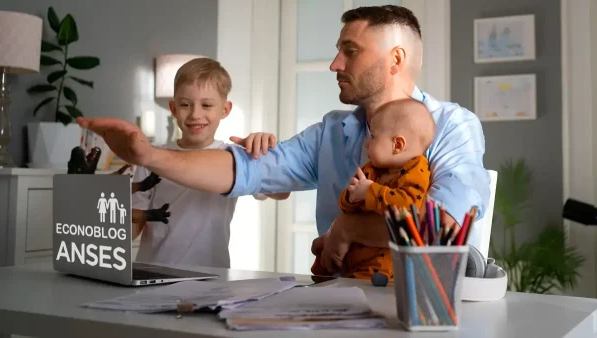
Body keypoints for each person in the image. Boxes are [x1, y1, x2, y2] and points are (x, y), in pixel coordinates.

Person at [77, 5, 490, 275]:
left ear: (395, 60)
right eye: (336, 50)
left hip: (413, 308)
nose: (334, 64)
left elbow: (443, 231)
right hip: (333, 299)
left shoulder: (453, 126)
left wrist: (349, 228)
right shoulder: (332, 130)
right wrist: (150, 155)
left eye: (350, 51)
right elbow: (245, 170)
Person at [131, 57, 288, 269]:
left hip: (211, 276)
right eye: (185, 104)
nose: (196, 114)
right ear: (174, 108)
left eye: (206, 105)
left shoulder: (236, 157)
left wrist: (265, 152)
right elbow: (132, 226)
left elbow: (281, 192)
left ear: (225, 109)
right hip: (153, 273)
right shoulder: (151, 158)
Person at [311, 99, 435, 280]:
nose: (367, 144)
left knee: (359, 286)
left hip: (381, 263)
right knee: (322, 257)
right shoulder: (373, 168)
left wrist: (369, 192)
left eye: (374, 137)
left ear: (397, 145)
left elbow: (409, 207)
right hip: (353, 251)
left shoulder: (416, 169)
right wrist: (350, 198)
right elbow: (347, 204)